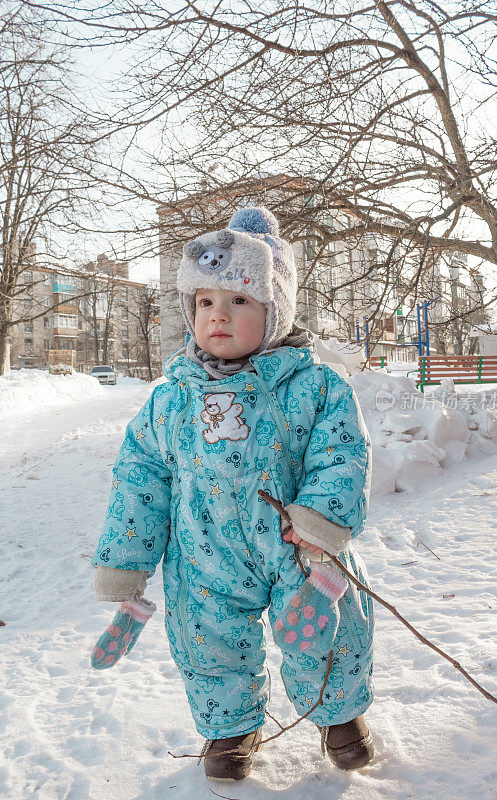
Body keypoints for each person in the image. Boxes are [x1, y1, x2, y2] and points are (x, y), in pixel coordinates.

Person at [91, 207, 374, 781]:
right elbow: (140, 477)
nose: (218, 316)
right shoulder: (171, 400)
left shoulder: (316, 385)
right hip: (203, 554)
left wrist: (319, 521)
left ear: (276, 309)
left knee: (327, 627)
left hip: (297, 544)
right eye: (204, 302)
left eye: (239, 301)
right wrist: (127, 561)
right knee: (208, 640)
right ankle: (230, 725)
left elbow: (342, 453)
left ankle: (338, 715)